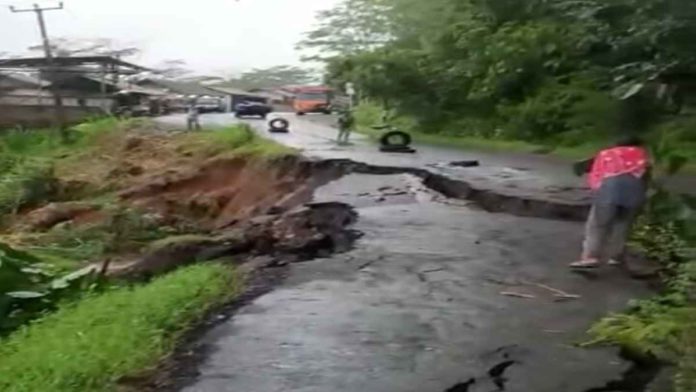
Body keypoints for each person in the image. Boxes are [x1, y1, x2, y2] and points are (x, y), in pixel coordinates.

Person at [570, 136, 650, 268]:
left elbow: (597, 174)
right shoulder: (643, 156)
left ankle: (591, 257)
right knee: (623, 225)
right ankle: (616, 257)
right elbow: (646, 178)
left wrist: (596, 191)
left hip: (608, 190)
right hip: (634, 192)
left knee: (597, 225)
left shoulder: (607, 154)